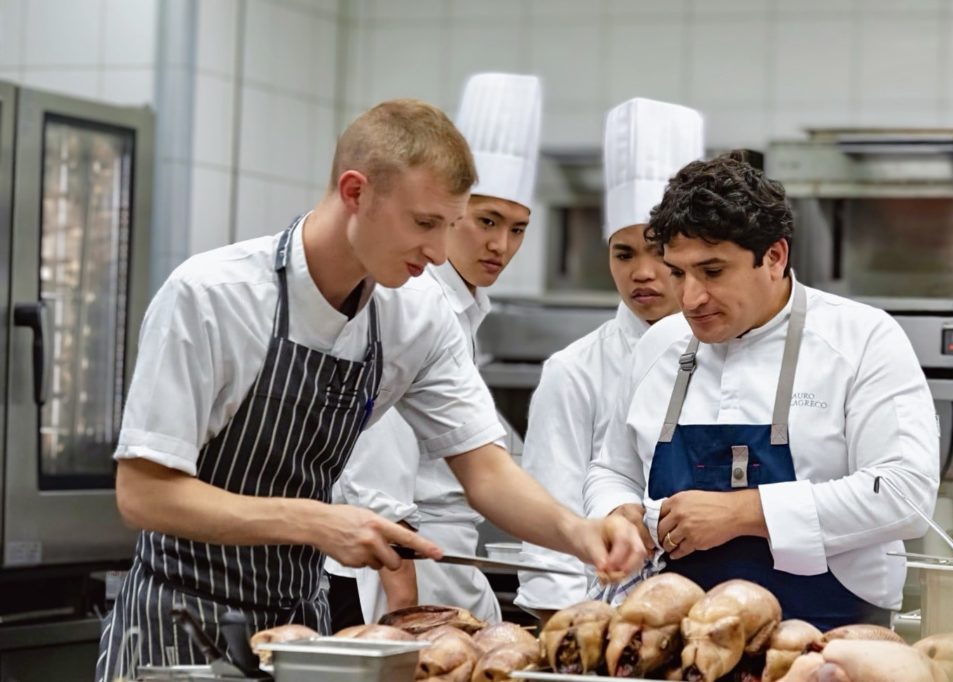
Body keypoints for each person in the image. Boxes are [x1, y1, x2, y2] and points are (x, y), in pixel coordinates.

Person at [96, 98, 645, 681]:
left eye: (449, 226)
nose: (437, 253)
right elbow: (143, 494)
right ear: (355, 191)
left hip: (298, 632)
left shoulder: (413, 315)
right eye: (424, 224)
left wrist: (578, 533)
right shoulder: (213, 297)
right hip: (176, 623)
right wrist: (318, 523)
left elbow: (485, 470)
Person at [584, 151, 940, 630]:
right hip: (678, 638)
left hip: (826, 638)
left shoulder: (862, 339)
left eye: (712, 272)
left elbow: (906, 493)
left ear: (774, 256)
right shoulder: (661, 345)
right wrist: (616, 511)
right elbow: (611, 468)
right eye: (678, 272)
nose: (690, 299)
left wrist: (745, 512)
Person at [327, 73, 543, 627]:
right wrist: (404, 614)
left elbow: (483, 468)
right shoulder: (414, 300)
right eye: (486, 221)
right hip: (394, 573)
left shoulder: (465, 310)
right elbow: (376, 482)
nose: (501, 246)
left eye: (518, 229)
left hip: (446, 564)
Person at [515, 98, 704, 620]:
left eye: (658, 252)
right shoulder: (574, 370)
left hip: (706, 612)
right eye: (624, 254)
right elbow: (550, 516)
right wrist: (565, 631)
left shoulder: (728, 355)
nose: (642, 272)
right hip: (596, 614)